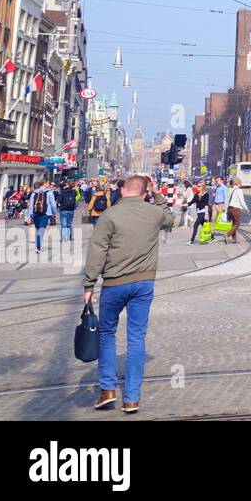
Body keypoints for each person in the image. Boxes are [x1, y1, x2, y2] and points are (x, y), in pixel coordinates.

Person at [83, 174, 163, 413]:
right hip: (143, 283)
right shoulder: (153, 212)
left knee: (107, 333)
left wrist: (89, 285)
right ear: (144, 192)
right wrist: (157, 192)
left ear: (124, 190)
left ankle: (107, 390)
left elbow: (97, 250)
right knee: (136, 339)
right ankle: (131, 399)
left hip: (114, 283)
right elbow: (171, 218)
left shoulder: (110, 215)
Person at [26, 181, 59, 253]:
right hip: (45, 214)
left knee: (38, 229)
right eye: (47, 183)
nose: (48, 184)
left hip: (35, 214)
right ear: (44, 184)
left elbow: (31, 206)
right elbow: (53, 204)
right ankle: (38, 247)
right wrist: (55, 213)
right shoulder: (49, 193)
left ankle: (37, 245)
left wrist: (29, 216)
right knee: (41, 230)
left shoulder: (34, 193)